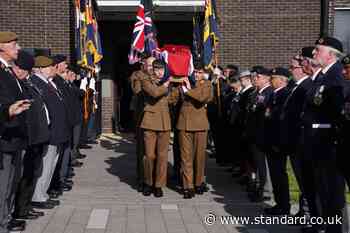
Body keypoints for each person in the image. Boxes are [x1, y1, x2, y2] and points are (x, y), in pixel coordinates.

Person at [302, 37, 345, 233]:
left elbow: (337, 113)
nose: (314, 54)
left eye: (318, 50)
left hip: (329, 144)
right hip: (316, 143)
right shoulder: (321, 77)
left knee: (332, 194)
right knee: (322, 191)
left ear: (330, 54)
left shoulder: (337, 77)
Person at [12, 50, 49, 220]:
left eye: (20, 68)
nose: (17, 71)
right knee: (24, 176)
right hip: (29, 138)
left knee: (32, 174)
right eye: (16, 67)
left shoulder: (29, 84)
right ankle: (20, 210)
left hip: (37, 136)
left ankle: (25, 207)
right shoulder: (19, 85)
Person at [30, 56, 70, 209]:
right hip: (50, 132)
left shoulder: (47, 82)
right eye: (48, 67)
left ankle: (43, 194)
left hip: (58, 132)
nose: (52, 69)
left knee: (51, 165)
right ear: (40, 69)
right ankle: (38, 196)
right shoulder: (37, 82)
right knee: (45, 166)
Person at [0, 31, 29, 232]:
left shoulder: (7, 70)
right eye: (13, 45)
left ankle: (6, 219)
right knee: (3, 187)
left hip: (14, 136)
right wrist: (7, 110)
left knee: (10, 185)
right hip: (4, 137)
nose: (17, 48)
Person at [176, 63, 213, 199]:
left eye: (199, 72)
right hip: (184, 124)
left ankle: (198, 183)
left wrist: (187, 90)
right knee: (186, 157)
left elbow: (202, 97)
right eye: (195, 72)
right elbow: (174, 99)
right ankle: (188, 186)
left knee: (199, 157)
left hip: (200, 125)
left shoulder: (207, 84)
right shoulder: (184, 83)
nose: (196, 74)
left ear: (204, 73)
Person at [140, 59, 172, 198]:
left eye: (161, 69)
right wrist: (165, 86)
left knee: (162, 156)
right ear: (152, 69)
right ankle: (148, 182)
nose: (159, 72)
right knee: (149, 156)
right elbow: (153, 93)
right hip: (150, 121)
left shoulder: (168, 83)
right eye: (156, 69)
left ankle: (159, 185)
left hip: (164, 122)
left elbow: (173, 99)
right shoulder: (146, 80)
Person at [264, 67, 290, 215]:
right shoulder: (274, 94)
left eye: (274, 78)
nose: (271, 80)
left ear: (282, 80)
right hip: (271, 140)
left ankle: (284, 205)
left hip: (277, 142)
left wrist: (278, 142)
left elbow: (279, 120)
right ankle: (279, 203)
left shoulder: (284, 94)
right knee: (275, 174)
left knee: (279, 174)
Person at [245, 66, 273, 202]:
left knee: (263, 165)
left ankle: (265, 191)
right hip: (253, 135)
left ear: (266, 78)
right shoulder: (256, 93)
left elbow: (264, 116)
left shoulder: (269, 93)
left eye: (257, 77)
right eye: (253, 77)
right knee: (256, 164)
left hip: (261, 135)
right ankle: (258, 187)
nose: (254, 79)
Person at [129, 56, 153, 192]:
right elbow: (138, 91)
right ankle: (142, 178)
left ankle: (153, 178)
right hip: (142, 118)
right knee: (142, 151)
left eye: (153, 65)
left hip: (154, 120)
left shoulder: (156, 76)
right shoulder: (137, 76)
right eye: (148, 65)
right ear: (142, 65)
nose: (151, 68)